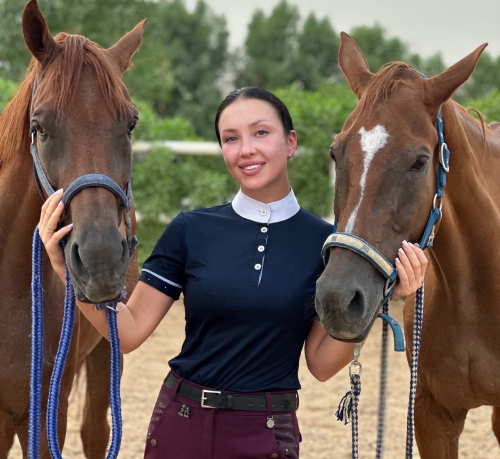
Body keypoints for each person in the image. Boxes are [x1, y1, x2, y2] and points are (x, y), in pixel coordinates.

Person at [39, 87, 427, 459]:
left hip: (268, 433)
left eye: (261, 133)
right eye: (230, 138)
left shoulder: (326, 245)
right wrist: (65, 268)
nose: (246, 150)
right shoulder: (190, 229)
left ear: (290, 143)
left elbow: (322, 364)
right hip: (181, 423)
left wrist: (382, 300)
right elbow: (128, 330)